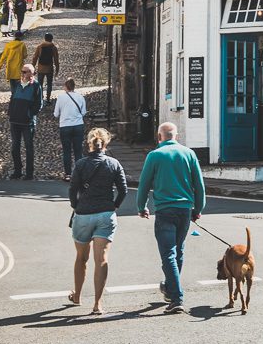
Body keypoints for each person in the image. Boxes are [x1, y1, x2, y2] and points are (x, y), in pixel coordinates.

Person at [136, 123, 205, 313]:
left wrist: (141, 207)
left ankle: (177, 298)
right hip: (184, 210)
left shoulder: (155, 156)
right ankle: (169, 288)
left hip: (165, 210)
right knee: (178, 252)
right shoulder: (189, 153)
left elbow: (144, 184)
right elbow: (199, 185)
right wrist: (198, 209)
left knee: (168, 254)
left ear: (159, 136)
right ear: (176, 136)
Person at [68, 127, 127, 316]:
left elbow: (72, 189)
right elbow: (123, 190)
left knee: (81, 258)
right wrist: (114, 205)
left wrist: (77, 205)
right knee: (101, 259)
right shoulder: (114, 163)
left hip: (83, 215)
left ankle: (77, 296)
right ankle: (97, 304)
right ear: (106, 143)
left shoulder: (81, 164)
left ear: (89, 144)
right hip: (105, 214)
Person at [8, 63, 43, 179]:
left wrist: (30, 114)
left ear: (31, 73)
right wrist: (11, 112)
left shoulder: (36, 86)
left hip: (27, 123)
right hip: (15, 121)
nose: (22, 74)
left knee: (29, 147)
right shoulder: (17, 84)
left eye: (25, 72)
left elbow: (39, 104)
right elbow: (12, 98)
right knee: (15, 147)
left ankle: (29, 173)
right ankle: (17, 170)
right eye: (22, 71)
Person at [54, 76, 87, 179]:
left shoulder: (61, 98)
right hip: (78, 125)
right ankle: (79, 174)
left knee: (67, 150)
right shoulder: (80, 97)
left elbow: (56, 114)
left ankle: (68, 174)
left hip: (65, 126)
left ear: (65, 87)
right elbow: (83, 112)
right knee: (78, 150)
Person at [33, 31, 60, 105]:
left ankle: (40, 98)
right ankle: (48, 99)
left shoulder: (39, 47)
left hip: (40, 69)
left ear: (45, 39)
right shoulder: (53, 47)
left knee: (40, 84)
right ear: (51, 39)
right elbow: (56, 60)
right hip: (49, 69)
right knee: (49, 84)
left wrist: (33, 68)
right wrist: (57, 69)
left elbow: (35, 58)